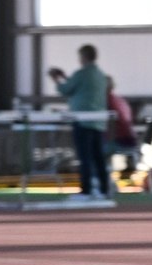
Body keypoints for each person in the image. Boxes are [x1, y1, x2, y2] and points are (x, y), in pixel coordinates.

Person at [47, 45, 115, 203]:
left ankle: (86, 190)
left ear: (83, 57)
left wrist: (56, 79)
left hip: (83, 122)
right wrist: (66, 77)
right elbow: (79, 87)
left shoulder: (82, 74)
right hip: (98, 123)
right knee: (98, 157)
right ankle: (104, 190)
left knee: (85, 157)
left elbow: (66, 90)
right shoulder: (100, 75)